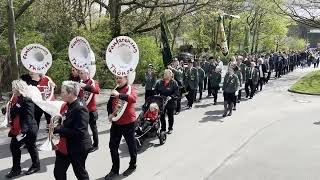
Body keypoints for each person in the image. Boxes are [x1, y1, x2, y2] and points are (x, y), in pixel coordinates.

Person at [53, 81, 92, 180]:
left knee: (80, 173)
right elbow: (63, 120)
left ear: (70, 93)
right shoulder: (67, 104)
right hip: (64, 146)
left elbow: (79, 132)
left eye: (63, 92)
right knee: (58, 172)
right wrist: (54, 127)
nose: (60, 94)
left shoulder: (80, 108)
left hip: (78, 147)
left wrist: (59, 129)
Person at [6, 80, 40, 178]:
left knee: (29, 147)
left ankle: (33, 166)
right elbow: (14, 111)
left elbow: (28, 117)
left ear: (19, 88)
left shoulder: (27, 100)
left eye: (13, 88)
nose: (12, 90)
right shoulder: (17, 98)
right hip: (19, 129)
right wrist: (6, 111)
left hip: (27, 129)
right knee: (19, 147)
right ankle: (18, 168)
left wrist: (23, 131)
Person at [105, 75, 138, 179]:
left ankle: (132, 165)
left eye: (120, 78)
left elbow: (133, 99)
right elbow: (109, 104)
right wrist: (110, 113)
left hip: (128, 123)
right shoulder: (114, 89)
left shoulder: (130, 89)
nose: (118, 80)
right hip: (116, 123)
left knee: (131, 146)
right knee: (112, 146)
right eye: (117, 78)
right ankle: (115, 169)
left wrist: (119, 95)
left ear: (126, 79)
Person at [78, 68, 101, 152]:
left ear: (87, 74)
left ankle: (96, 145)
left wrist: (85, 86)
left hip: (91, 110)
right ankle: (85, 144)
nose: (80, 74)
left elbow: (97, 91)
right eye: (79, 73)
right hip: (82, 110)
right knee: (83, 128)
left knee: (93, 128)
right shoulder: (80, 83)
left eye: (82, 73)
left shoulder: (92, 82)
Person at [154, 69, 179, 134]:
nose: (166, 75)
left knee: (170, 115)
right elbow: (155, 90)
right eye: (165, 74)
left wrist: (171, 96)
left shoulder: (174, 83)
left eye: (168, 74)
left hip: (171, 101)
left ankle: (170, 128)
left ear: (171, 75)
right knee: (161, 115)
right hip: (161, 101)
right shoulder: (159, 82)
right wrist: (157, 94)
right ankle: (163, 129)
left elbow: (176, 93)